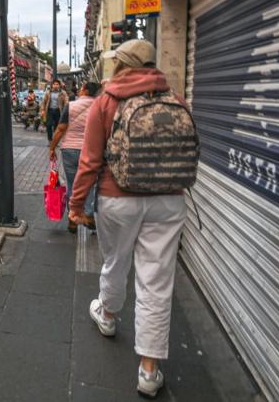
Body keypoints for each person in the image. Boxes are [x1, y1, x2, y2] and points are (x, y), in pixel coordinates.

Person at [69, 40, 188, 398]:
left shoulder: (107, 101)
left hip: (117, 196)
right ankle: (149, 371)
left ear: (121, 65)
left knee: (116, 261)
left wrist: (76, 205)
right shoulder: (175, 98)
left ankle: (106, 314)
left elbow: (89, 161)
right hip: (168, 200)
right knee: (156, 280)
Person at [49, 82, 99, 232]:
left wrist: (52, 148)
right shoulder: (99, 106)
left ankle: (72, 220)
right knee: (90, 183)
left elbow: (61, 128)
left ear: (84, 90)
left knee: (72, 184)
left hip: (70, 149)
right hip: (90, 150)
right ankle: (89, 215)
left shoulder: (70, 106)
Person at [41, 79, 68, 143]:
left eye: (57, 84)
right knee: (48, 125)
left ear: (59, 85)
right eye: (54, 84)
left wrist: (66, 109)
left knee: (57, 127)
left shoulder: (62, 93)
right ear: (52, 85)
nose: (55, 86)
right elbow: (43, 102)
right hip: (50, 111)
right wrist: (42, 110)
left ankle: (55, 140)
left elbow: (66, 101)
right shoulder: (48, 92)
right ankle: (50, 140)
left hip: (58, 111)